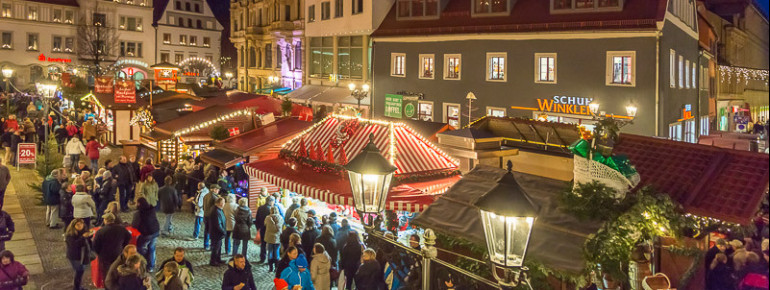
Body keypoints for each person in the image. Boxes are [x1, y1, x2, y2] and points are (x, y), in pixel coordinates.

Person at [93, 213, 132, 285]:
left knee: (106, 273)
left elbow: (95, 245)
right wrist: (123, 246)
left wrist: (99, 253)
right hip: (118, 253)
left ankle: (108, 286)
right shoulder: (121, 228)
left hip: (105, 256)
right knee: (118, 270)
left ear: (105, 220)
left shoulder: (101, 231)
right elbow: (128, 237)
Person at [132, 197, 160, 272]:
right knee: (152, 247)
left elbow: (134, 225)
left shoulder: (138, 213)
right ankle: (151, 265)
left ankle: (148, 258)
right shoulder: (151, 210)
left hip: (147, 233)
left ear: (138, 204)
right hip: (155, 231)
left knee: (139, 247)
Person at [65, 218, 92, 290]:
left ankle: (78, 286)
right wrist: (83, 237)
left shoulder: (84, 231)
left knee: (80, 271)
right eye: (78, 225)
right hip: (75, 256)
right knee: (79, 271)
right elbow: (74, 245)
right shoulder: (70, 235)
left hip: (82, 255)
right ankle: (76, 287)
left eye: (81, 224)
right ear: (73, 226)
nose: (80, 226)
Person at [254, 196, 274, 263]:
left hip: (262, 228)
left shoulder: (260, 208)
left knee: (263, 244)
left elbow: (257, 219)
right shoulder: (271, 209)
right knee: (270, 245)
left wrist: (258, 228)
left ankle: (262, 258)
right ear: (271, 201)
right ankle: (270, 259)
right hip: (269, 229)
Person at [265, 206, 284, 272]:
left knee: (270, 251)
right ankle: (276, 267)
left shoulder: (268, 218)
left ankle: (270, 268)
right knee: (276, 252)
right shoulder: (281, 218)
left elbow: (265, 224)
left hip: (270, 237)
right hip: (277, 237)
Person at [209, 197, 227, 266]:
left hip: (217, 233)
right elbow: (218, 224)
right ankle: (213, 261)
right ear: (220, 203)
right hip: (216, 233)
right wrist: (223, 231)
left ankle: (218, 259)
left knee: (218, 247)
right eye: (224, 202)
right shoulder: (216, 211)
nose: (224, 204)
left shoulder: (218, 210)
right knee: (215, 247)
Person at [203, 184, 221, 250]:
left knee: (206, 230)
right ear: (213, 189)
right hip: (211, 216)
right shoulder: (215, 198)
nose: (218, 190)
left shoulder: (206, 196)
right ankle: (212, 246)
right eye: (217, 189)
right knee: (212, 231)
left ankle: (205, 244)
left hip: (205, 215)